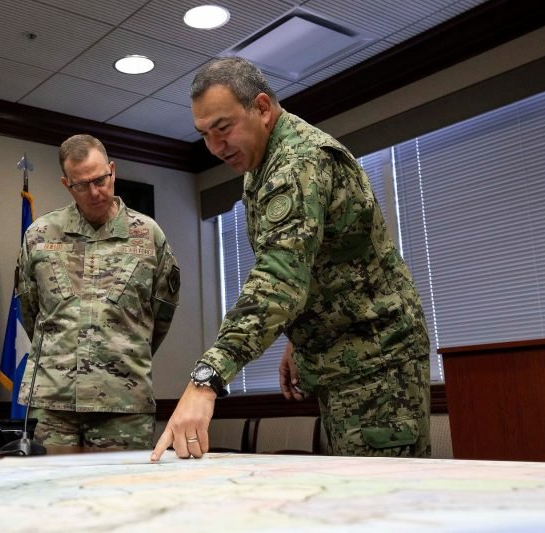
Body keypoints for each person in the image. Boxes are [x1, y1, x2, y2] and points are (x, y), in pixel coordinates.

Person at [151, 57, 430, 461]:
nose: (214, 147)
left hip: (377, 362)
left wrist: (207, 378)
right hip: (349, 358)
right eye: (205, 135)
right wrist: (301, 334)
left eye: (223, 128)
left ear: (262, 108)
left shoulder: (298, 162)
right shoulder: (261, 164)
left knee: (381, 495)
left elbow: (278, 279)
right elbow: (309, 263)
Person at [16, 134, 180, 451]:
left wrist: (122, 352)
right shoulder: (40, 235)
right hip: (53, 403)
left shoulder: (148, 235)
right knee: (51, 484)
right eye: (81, 185)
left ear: (112, 171)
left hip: (123, 403)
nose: (94, 192)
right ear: (67, 184)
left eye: (100, 180)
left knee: (120, 484)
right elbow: (31, 311)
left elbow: (162, 314)